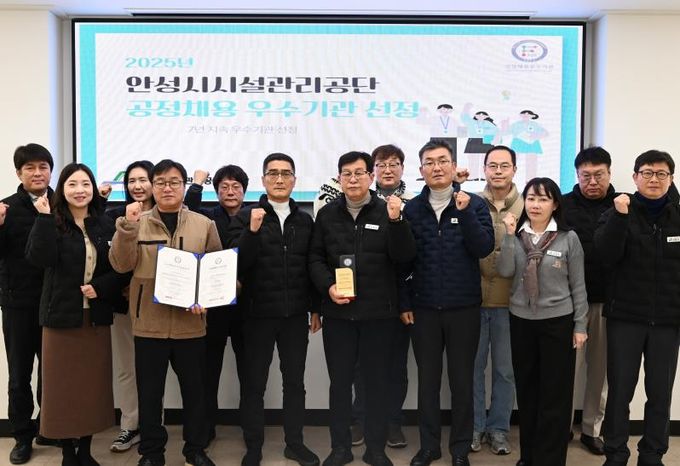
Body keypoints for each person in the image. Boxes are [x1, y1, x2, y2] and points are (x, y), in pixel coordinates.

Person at [109, 159, 222, 466]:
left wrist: (207, 298)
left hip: (191, 325)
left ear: (185, 186)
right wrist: (127, 228)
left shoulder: (204, 224)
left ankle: (195, 450)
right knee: (149, 395)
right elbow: (121, 264)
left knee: (195, 393)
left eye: (174, 182)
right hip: (148, 324)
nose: (167, 188)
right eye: (160, 182)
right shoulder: (136, 221)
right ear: (152, 187)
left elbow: (216, 271)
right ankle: (151, 453)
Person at [309, 151, 416, 466]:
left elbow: (404, 258)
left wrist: (397, 222)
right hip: (339, 315)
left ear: (371, 176)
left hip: (379, 315)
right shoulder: (327, 215)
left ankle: (375, 449)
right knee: (340, 384)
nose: (353, 179)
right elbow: (314, 259)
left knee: (377, 383)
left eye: (359, 173)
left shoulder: (388, 211)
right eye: (347, 174)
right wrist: (328, 287)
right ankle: (340, 448)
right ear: (339, 178)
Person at [26, 163, 129, 466]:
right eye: (72, 184)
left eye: (85, 184)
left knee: (90, 390)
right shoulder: (51, 220)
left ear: (93, 189)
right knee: (62, 391)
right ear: (62, 189)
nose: (80, 190)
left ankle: (85, 450)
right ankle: (68, 453)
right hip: (60, 320)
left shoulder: (104, 223)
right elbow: (39, 258)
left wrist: (100, 287)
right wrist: (43, 218)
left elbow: (120, 268)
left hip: (94, 320)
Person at [400, 138, 494, 466]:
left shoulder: (474, 204)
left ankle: (460, 449)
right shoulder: (412, 209)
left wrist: (465, 212)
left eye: (442, 161)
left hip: (464, 308)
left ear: (454, 167)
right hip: (423, 308)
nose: (436, 167)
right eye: (429, 162)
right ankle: (429, 447)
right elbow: (402, 262)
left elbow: (483, 248)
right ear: (421, 169)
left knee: (462, 382)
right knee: (427, 382)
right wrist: (404, 303)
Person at [227, 153, 320, 466]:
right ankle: (253, 446)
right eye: (273, 173)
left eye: (286, 174)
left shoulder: (305, 220)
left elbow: (312, 265)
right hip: (257, 316)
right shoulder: (246, 217)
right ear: (263, 180)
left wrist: (315, 308)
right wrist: (252, 232)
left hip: (295, 316)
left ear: (294, 179)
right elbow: (236, 264)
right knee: (254, 384)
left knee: (294, 383)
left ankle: (295, 443)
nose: (280, 179)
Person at [594, 150, 680, 466]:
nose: (654, 179)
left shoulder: (678, 215)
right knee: (619, 391)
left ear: (670, 179)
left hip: (668, 321)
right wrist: (619, 217)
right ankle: (615, 453)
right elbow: (606, 255)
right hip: (625, 319)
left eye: (661, 174)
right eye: (647, 173)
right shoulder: (617, 211)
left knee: (660, 393)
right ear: (635, 177)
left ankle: (652, 455)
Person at [498, 177, 588, 466]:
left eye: (543, 199)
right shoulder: (517, 235)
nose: (535, 205)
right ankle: (529, 456)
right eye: (531, 198)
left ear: (555, 204)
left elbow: (578, 286)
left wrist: (580, 325)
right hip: (522, 322)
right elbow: (505, 271)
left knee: (555, 395)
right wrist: (508, 235)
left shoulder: (567, 238)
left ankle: (550, 460)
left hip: (558, 323)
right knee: (528, 392)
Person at [344, 144, 415, 448]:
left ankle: (392, 423)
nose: (388, 170)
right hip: (367, 301)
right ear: (372, 172)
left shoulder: (414, 205)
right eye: (381, 165)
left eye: (394, 164)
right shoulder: (364, 204)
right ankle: (361, 421)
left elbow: (410, 258)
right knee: (362, 367)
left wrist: (405, 301)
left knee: (396, 367)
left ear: (402, 169)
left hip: (400, 301)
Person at [0, 143, 56, 464]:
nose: (37, 173)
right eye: (30, 168)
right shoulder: (6, 208)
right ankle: (22, 436)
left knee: (53, 372)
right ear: (19, 173)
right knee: (19, 375)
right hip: (18, 304)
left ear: (50, 171)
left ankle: (49, 427)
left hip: (54, 304)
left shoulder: (62, 204)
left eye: (43, 167)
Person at [184, 165, 249, 443]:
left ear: (245, 191)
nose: (230, 192)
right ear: (217, 191)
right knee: (208, 371)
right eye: (224, 187)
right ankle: (206, 426)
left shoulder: (255, 215)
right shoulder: (208, 217)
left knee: (249, 371)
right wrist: (197, 184)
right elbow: (186, 210)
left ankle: (250, 426)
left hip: (247, 306)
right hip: (214, 308)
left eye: (236, 187)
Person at [562, 147, 617, 456]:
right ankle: (562, 427)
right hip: (568, 302)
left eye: (599, 175)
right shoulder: (563, 205)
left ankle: (591, 430)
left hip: (608, 302)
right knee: (566, 369)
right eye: (586, 176)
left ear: (609, 173)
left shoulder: (623, 204)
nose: (593, 182)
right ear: (577, 175)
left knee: (600, 370)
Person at [472, 145, 523, 455]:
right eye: (493, 165)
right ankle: (475, 427)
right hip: (473, 302)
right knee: (473, 369)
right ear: (485, 169)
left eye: (505, 165)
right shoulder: (472, 203)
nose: (499, 171)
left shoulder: (527, 204)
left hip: (510, 304)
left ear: (514, 169)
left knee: (505, 371)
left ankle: (499, 429)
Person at [104, 160, 155, 453]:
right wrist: (121, 285)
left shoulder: (165, 215)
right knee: (126, 368)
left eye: (143, 179)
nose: (137, 186)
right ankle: (129, 426)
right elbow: (110, 260)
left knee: (153, 370)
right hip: (123, 304)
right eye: (131, 181)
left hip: (155, 305)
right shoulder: (115, 216)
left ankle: (152, 427)